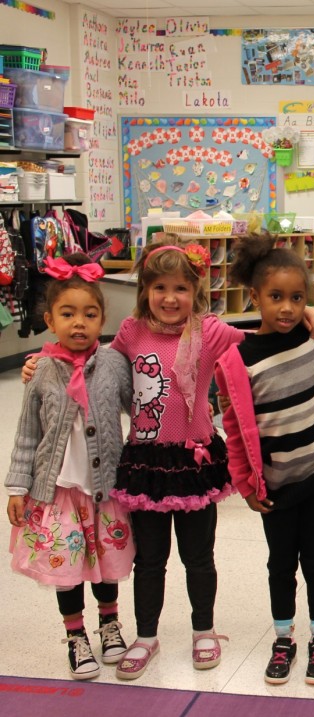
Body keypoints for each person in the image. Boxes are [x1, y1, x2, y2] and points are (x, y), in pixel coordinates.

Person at [96, 237, 314, 680]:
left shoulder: (211, 332)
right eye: (160, 287)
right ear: (145, 290)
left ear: (196, 292)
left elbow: (265, 338)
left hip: (194, 464)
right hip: (145, 465)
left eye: (181, 288)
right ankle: (146, 635)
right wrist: (42, 365)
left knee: (198, 557)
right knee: (150, 559)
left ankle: (203, 629)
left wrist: (311, 316)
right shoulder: (131, 333)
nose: (170, 298)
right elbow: (98, 365)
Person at [213, 234, 314, 685]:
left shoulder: (310, 332)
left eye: (297, 298)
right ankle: (283, 636)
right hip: (274, 485)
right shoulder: (237, 360)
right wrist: (245, 485)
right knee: (281, 563)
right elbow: (232, 428)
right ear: (255, 298)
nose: (286, 307)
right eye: (276, 297)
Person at [5, 255, 134, 680]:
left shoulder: (115, 362)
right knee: (67, 567)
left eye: (90, 314)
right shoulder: (41, 369)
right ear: (49, 319)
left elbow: (140, 409)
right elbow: (27, 434)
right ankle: (76, 635)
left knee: (106, 562)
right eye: (68, 313)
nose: (79, 323)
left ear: (102, 318)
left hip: (105, 489)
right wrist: (18, 488)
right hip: (58, 492)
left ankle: (110, 623)